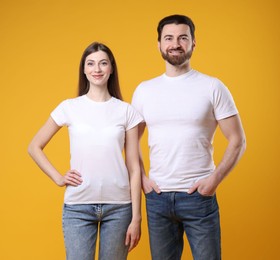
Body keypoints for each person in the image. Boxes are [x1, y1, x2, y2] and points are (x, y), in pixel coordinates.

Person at [131, 14, 246, 260]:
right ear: (159, 44)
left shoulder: (213, 87)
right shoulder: (144, 90)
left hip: (199, 197)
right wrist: (142, 178)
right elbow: (131, 142)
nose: (176, 44)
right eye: (169, 38)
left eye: (183, 38)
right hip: (157, 199)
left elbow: (238, 140)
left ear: (193, 43)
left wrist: (214, 179)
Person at [28, 42, 143, 260]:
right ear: (84, 69)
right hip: (78, 207)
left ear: (111, 68)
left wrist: (136, 217)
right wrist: (58, 177)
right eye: (90, 63)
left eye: (102, 63)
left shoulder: (126, 111)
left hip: (119, 208)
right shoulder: (69, 107)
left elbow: (134, 168)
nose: (96, 69)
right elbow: (34, 146)